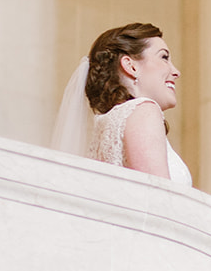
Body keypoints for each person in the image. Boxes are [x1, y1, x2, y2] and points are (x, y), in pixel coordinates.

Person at [51, 22, 192, 186]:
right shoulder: (144, 110)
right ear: (130, 66)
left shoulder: (106, 125)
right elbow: (158, 198)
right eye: (164, 57)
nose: (176, 72)